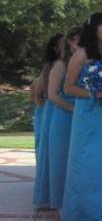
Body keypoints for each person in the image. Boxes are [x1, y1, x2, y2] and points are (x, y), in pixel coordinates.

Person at [62, 13, 102, 221]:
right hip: (88, 115)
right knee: (87, 164)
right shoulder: (81, 55)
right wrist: (92, 92)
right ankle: (86, 216)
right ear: (94, 29)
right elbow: (68, 88)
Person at [47, 26, 82, 212]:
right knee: (61, 160)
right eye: (76, 40)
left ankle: (75, 203)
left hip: (81, 116)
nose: (80, 43)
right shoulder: (61, 64)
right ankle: (60, 204)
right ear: (69, 42)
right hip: (62, 118)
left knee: (77, 161)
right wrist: (73, 109)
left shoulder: (85, 63)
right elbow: (52, 95)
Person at [33, 33, 63, 209]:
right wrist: (45, 112)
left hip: (56, 110)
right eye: (62, 44)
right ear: (54, 48)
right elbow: (37, 95)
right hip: (47, 111)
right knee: (45, 151)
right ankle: (46, 193)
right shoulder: (49, 66)